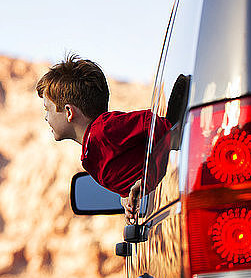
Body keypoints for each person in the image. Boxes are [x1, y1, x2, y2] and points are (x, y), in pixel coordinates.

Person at [36, 54, 170, 221]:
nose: (45, 117)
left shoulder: (104, 130)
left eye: (47, 109)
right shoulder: (91, 150)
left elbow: (155, 124)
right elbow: (133, 166)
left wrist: (149, 179)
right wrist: (127, 195)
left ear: (69, 112)